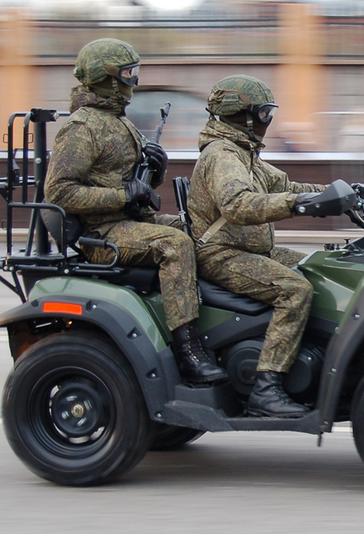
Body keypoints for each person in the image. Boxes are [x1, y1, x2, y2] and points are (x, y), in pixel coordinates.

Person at [44, 38, 226, 385]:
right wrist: (122, 194)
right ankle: (188, 350)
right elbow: (60, 191)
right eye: (128, 73)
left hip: (131, 221)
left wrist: (155, 170)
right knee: (176, 245)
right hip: (101, 233)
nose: (134, 81)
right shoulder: (83, 126)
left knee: (203, 230)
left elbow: (135, 186)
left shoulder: (117, 121)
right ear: (105, 77)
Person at [188, 74, 329, 418]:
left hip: (250, 249)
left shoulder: (244, 154)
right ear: (245, 116)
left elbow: (288, 184)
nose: (269, 121)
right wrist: (294, 205)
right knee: (294, 290)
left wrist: (338, 194)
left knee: (321, 267)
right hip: (221, 252)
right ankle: (267, 387)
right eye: (265, 113)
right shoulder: (222, 155)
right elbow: (237, 204)